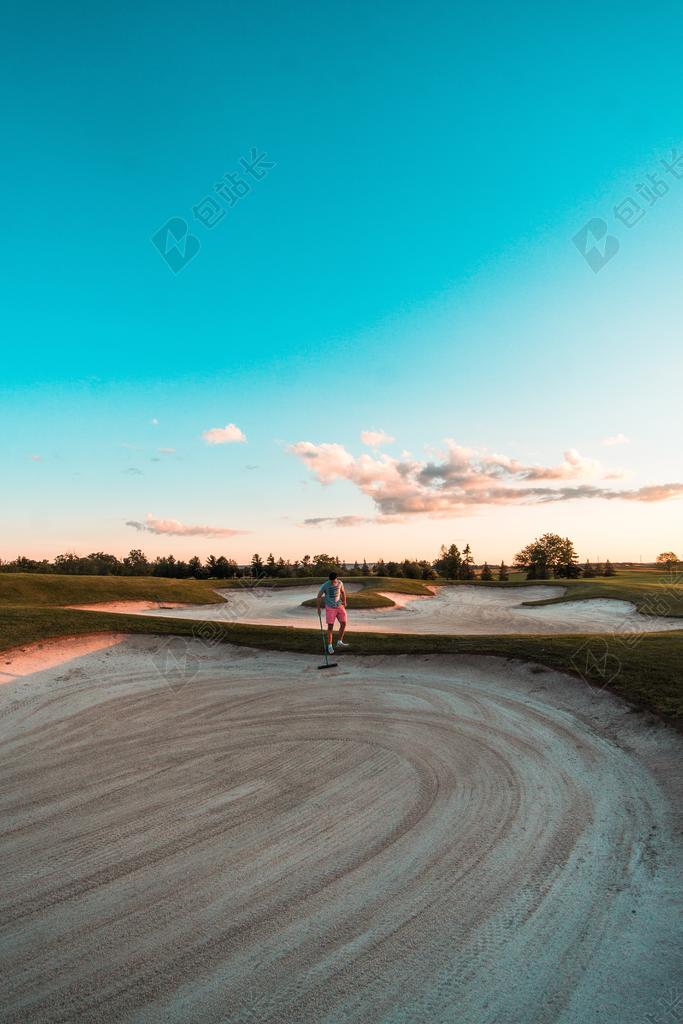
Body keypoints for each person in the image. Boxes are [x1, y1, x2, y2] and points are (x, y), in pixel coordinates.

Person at [316, 571, 350, 654]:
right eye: (330, 580)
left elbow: (342, 592)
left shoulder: (340, 583)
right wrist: (318, 608)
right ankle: (330, 646)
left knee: (344, 623)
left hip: (339, 606)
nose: (332, 581)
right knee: (330, 627)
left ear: (336, 578)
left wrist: (344, 601)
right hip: (330, 608)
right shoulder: (325, 585)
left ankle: (339, 642)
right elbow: (319, 596)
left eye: (333, 580)